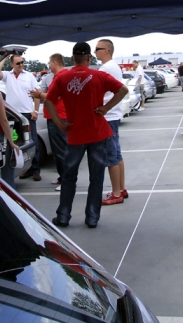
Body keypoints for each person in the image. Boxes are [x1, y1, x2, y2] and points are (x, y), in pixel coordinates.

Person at [45, 42, 128, 229]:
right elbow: (123, 90)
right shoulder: (99, 75)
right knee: (96, 177)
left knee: (69, 176)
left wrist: (59, 123)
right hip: (98, 132)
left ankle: (63, 216)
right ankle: (92, 217)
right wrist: (106, 108)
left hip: (75, 134)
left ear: (72, 58)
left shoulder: (62, 78)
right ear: (89, 58)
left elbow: (49, 101)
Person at [0, 54, 42, 181]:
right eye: (18, 63)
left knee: (32, 141)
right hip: (13, 115)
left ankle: (35, 169)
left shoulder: (29, 76)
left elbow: (37, 94)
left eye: (22, 62)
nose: (21, 65)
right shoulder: (8, 75)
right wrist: (4, 57)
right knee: (16, 142)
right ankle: (25, 169)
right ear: (12, 65)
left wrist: (36, 111)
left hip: (27, 114)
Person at [94, 39, 127, 205]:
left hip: (107, 117)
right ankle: (121, 188)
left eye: (97, 49)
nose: (95, 52)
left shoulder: (105, 68)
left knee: (111, 155)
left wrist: (105, 107)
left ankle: (116, 193)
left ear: (106, 50)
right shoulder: (114, 66)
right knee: (117, 153)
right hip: (113, 115)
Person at [29, 54, 68, 191]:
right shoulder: (58, 76)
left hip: (59, 117)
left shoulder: (61, 77)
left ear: (55, 63)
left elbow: (54, 96)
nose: (49, 66)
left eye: (50, 63)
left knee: (61, 150)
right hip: (55, 116)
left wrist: (39, 95)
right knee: (57, 150)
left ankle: (67, 180)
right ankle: (62, 176)